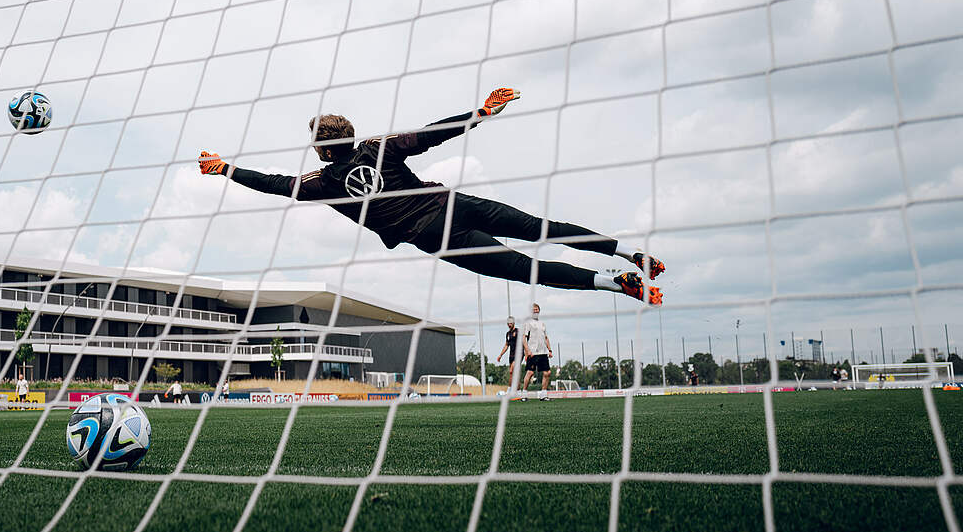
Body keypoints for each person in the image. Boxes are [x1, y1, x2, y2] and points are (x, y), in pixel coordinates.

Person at [199, 89, 664, 304]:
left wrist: (227, 169)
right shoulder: (377, 147)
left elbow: (275, 184)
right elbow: (432, 134)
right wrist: (480, 113)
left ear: (320, 148)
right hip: (452, 206)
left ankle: (613, 285)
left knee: (528, 271)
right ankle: (631, 255)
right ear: (351, 134)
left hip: (434, 235)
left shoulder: (322, 183)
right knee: (544, 230)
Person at [519, 305, 552, 399]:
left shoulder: (542, 323)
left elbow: (546, 338)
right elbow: (524, 338)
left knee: (547, 373)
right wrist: (527, 350)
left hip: (543, 352)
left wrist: (549, 350)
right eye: (533, 310)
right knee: (530, 373)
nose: (535, 311)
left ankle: (543, 394)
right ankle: (524, 393)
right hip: (532, 352)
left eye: (537, 310)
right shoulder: (528, 323)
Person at [495, 316, 520, 388]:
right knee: (514, 373)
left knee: (512, 371)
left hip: (518, 354)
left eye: (511, 323)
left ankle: (509, 389)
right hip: (511, 355)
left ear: (514, 323)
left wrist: (526, 353)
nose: (509, 325)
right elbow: (506, 345)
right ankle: (518, 390)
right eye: (508, 323)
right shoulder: (508, 334)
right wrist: (500, 355)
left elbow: (523, 342)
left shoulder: (518, 331)